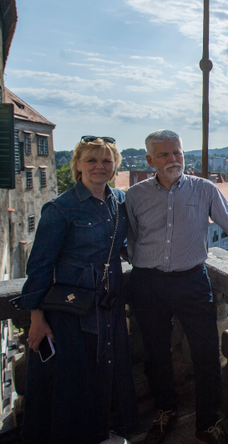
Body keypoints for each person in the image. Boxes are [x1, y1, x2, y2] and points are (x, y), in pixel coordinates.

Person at [12, 136, 138, 443]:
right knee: (74, 379)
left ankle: (102, 433)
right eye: (92, 160)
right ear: (78, 164)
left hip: (106, 303)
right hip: (73, 308)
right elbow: (39, 267)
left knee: (105, 372)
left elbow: (122, 247)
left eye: (106, 161)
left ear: (115, 165)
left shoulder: (119, 201)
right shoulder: (61, 208)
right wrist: (37, 318)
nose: (99, 166)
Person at [125, 130, 228, 444]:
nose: (172, 159)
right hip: (147, 283)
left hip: (191, 281)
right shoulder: (135, 195)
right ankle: (164, 413)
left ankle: (208, 423)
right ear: (150, 160)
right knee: (155, 354)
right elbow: (131, 238)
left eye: (177, 153)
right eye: (163, 155)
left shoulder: (204, 190)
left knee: (206, 355)